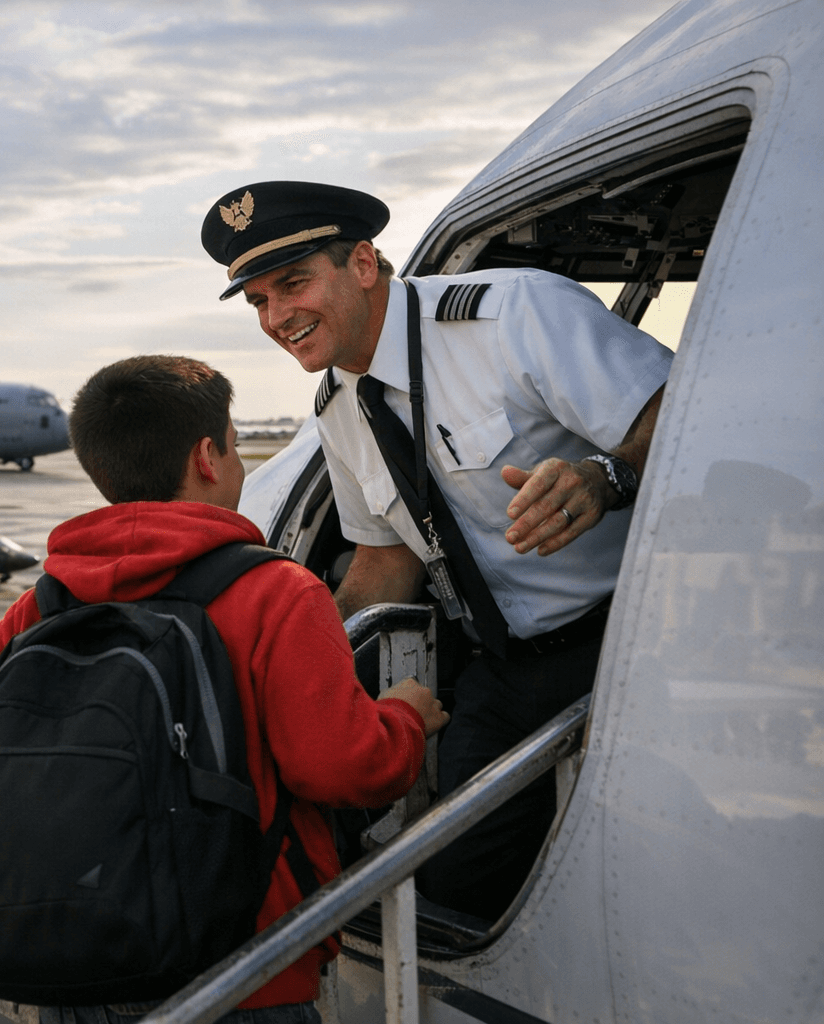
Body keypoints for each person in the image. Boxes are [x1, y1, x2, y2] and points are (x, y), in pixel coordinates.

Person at [0, 355, 445, 1019]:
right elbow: (341, 766)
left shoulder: (39, 609)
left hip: (74, 988)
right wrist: (405, 720)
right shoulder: (276, 592)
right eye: (237, 447)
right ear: (208, 457)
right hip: (244, 979)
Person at [200, 181, 673, 920]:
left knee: (665, 863)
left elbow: (680, 406)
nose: (276, 316)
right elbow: (383, 561)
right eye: (258, 300)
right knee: (455, 889)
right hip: (505, 669)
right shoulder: (338, 408)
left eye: (292, 283)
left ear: (362, 263)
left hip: (633, 647)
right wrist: (287, 654)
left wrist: (606, 476)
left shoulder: (513, 316)